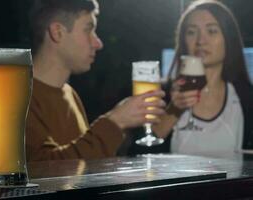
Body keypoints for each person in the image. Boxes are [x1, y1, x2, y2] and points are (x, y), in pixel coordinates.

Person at [26, 0, 166, 161]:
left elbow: (84, 168)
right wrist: (115, 122)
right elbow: (44, 171)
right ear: (57, 32)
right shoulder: (16, 95)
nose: (98, 43)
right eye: (88, 30)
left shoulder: (69, 93)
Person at [153, 0, 253, 157]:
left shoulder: (246, 97)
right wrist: (175, 109)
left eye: (212, 31)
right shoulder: (163, 94)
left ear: (228, 38)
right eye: (192, 32)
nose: (200, 41)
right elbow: (138, 156)